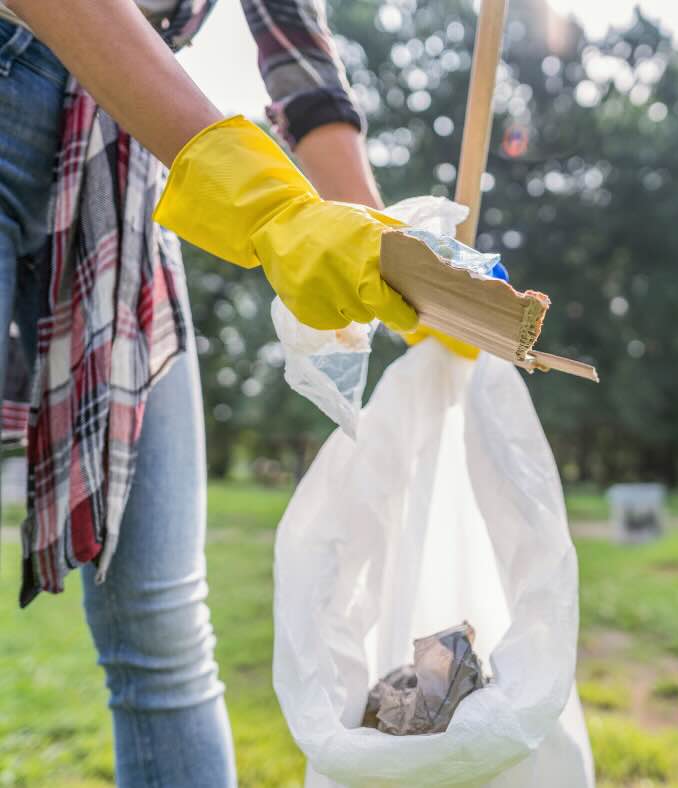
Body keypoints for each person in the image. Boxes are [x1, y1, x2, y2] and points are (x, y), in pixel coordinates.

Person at [0, 0, 447, 784]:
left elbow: (303, 66)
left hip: (121, 159)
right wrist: (269, 204)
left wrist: (399, 266)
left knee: (161, 626)